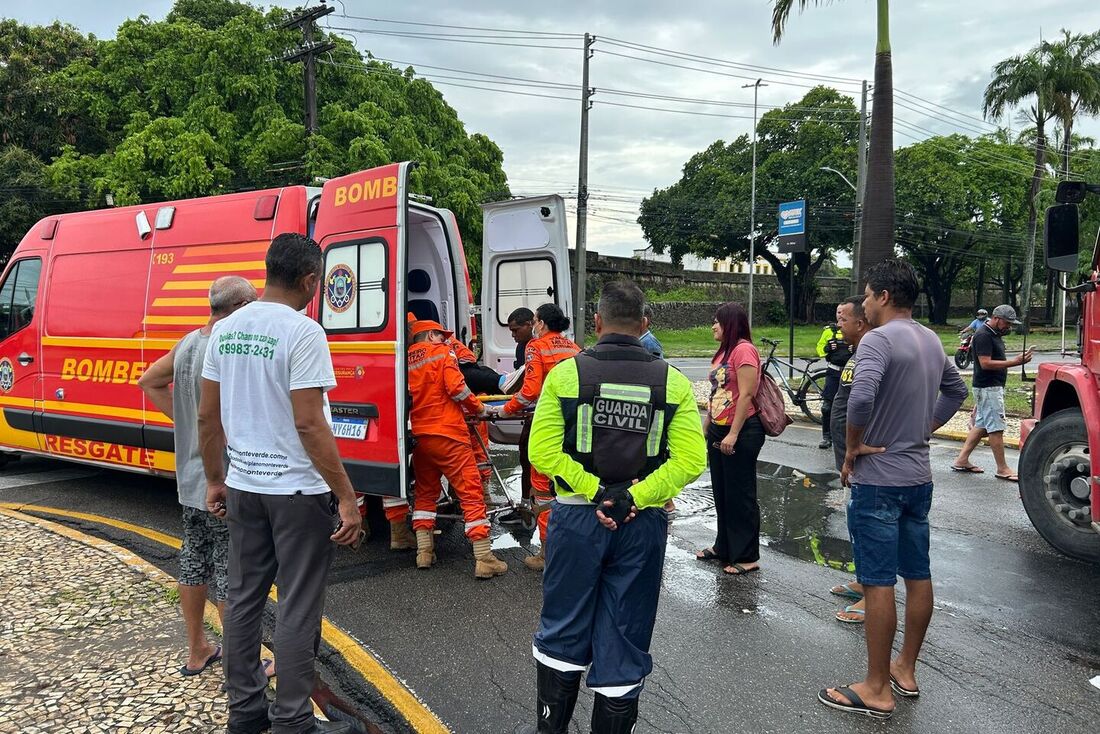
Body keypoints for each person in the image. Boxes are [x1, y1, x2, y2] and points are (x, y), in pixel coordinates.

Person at [515, 280, 706, 734]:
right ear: (645, 324)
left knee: (562, 625)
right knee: (625, 635)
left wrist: (595, 489)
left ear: (596, 323)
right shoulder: (672, 381)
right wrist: (631, 497)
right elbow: (691, 460)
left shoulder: (566, 375)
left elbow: (541, 451)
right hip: (641, 523)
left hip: (576, 518)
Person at [199, 233, 361, 734]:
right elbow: (310, 423)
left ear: (268, 269)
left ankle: (245, 713)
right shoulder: (304, 332)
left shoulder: (223, 330)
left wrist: (214, 480)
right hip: (296, 492)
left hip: (244, 486)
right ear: (311, 280)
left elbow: (207, 416)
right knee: (298, 603)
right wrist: (347, 497)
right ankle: (292, 719)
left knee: (244, 601)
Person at [819, 259, 967, 721]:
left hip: (879, 478)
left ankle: (877, 687)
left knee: (879, 580)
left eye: (866, 295)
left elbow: (861, 398)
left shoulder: (879, 340)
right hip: (918, 477)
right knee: (917, 574)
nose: (863, 302)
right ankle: (906, 669)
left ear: (883, 296)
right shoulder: (928, 338)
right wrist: (925, 426)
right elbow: (957, 390)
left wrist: (852, 447)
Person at [138, 275, 263, 678]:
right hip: (222, 478)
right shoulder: (226, 348)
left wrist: (186, 424)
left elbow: (149, 380)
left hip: (189, 480)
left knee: (193, 560)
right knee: (231, 570)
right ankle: (240, 661)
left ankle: (197, 650)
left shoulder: (189, 342)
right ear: (240, 308)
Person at [406, 319, 509, 579]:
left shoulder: (405, 359)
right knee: (471, 490)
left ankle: (424, 552)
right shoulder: (442, 353)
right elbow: (457, 388)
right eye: (441, 335)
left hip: (420, 434)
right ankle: (484, 557)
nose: (445, 340)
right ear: (430, 335)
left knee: (425, 493)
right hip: (448, 433)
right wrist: (480, 408)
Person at [497, 303, 580, 571]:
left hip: (548, 423)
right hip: (576, 425)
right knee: (570, 483)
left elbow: (530, 391)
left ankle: (546, 552)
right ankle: (571, 546)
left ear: (541, 323)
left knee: (542, 486)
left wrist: (504, 411)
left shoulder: (536, 347)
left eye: (534, 321)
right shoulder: (574, 348)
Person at [694, 302, 766, 576]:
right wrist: (707, 425)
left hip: (743, 429)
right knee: (722, 492)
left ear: (731, 324)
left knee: (740, 494)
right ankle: (723, 546)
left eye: (718, 321)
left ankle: (746, 555)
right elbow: (718, 394)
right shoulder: (724, 352)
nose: (713, 325)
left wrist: (734, 433)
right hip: (720, 428)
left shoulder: (744, 350)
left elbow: (746, 394)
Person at [824, 296, 871, 625]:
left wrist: (854, 451)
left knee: (866, 523)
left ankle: (874, 596)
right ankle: (864, 581)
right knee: (855, 521)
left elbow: (865, 402)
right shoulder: (856, 352)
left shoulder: (871, 351)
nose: (838, 325)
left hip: (860, 459)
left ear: (860, 322)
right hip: (846, 454)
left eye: (843, 320)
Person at [952, 304, 1033, 481]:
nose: (1009, 327)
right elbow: (986, 363)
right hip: (988, 387)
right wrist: (1015, 362)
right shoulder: (983, 335)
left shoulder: (993, 334)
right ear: (996, 318)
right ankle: (1002, 468)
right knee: (996, 427)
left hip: (988, 387)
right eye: (1007, 323)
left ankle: (961, 460)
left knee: (982, 425)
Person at [816, 313, 853, 450]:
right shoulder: (828, 331)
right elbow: (819, 349)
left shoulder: (855, 329)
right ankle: (826, 437)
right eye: (838, 313)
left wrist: (855, 348)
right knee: (827, 407)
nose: (840, 316)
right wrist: (826, 349)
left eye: (843, 315)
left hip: (849, 371)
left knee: (851, 407)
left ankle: (850, 438)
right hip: (833, 371)